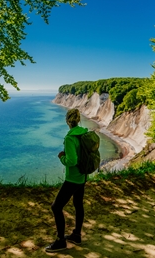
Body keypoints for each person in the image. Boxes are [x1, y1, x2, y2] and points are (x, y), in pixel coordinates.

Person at [45, 108, 88, 253]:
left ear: (67, 121)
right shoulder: (84, 133)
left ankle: (60, 241)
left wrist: (62, 157)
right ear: (79, 119)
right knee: (78, 204)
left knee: (56, 207)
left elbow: (72, 160)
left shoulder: (70, 137)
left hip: (73, 178)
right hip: (83, 176)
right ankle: (76, 235)